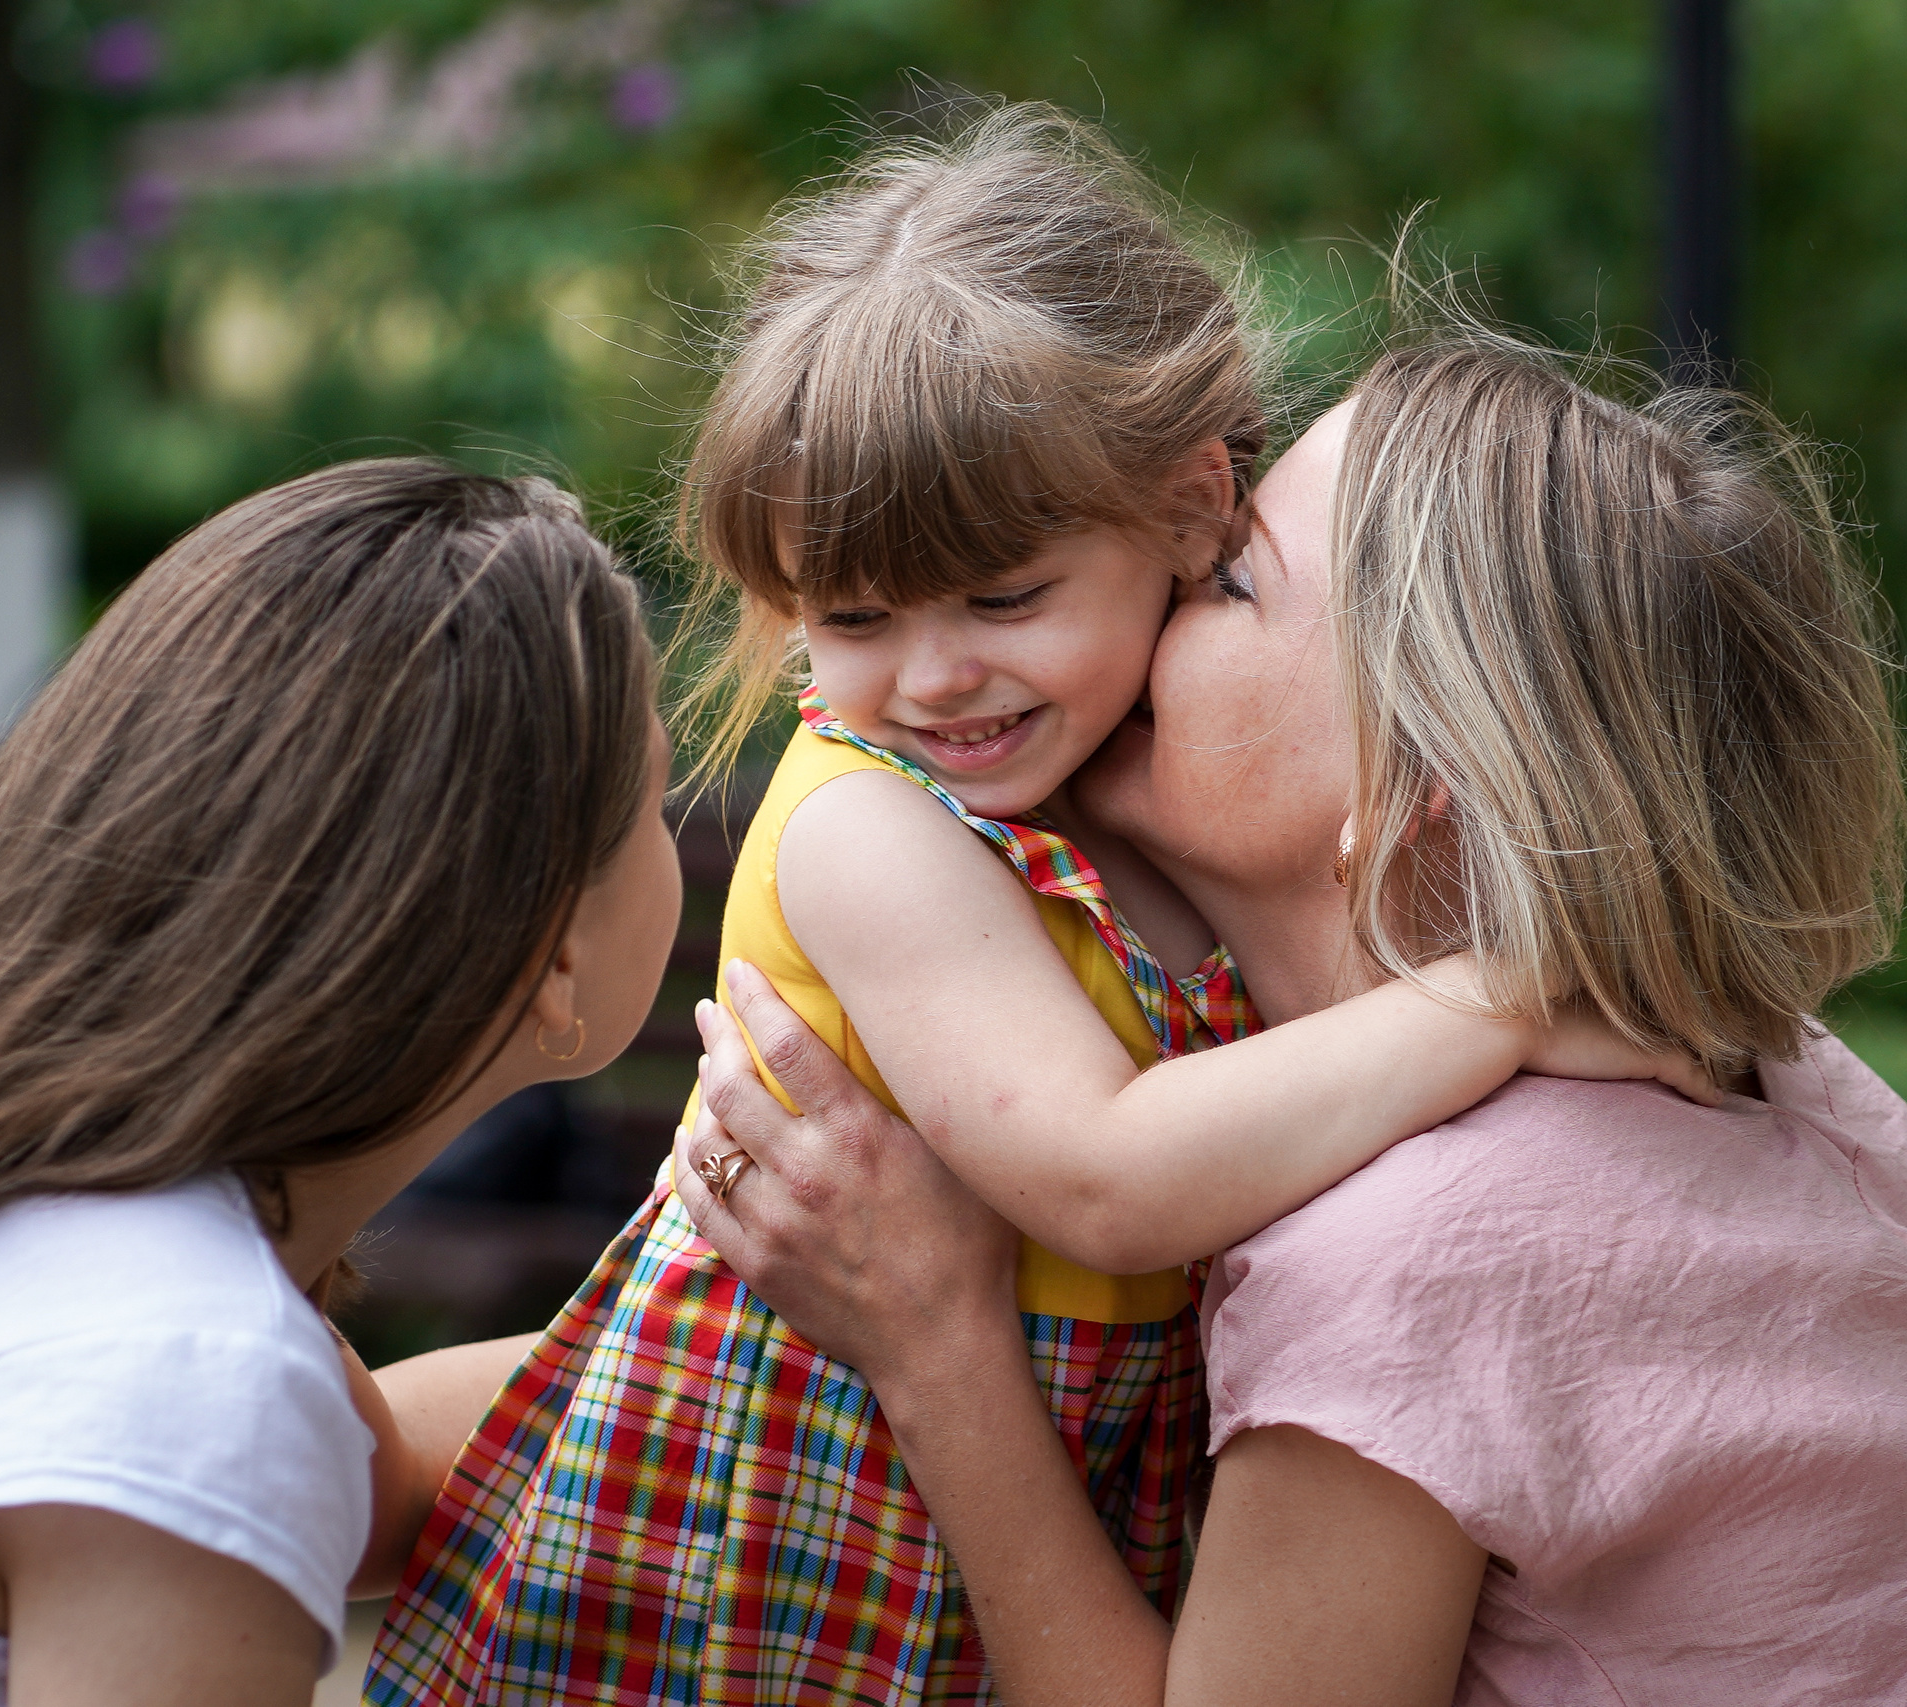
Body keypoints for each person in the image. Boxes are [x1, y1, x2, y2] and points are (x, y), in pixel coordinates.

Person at [369, 111, 1702, 1707]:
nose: (935, 678)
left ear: (1194, 504)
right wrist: (1503, 998)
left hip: (1011, 1523)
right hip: (770, 1567)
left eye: (1008, 596)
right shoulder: (871, 824)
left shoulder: (1137, 790)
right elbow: (1108, 1179)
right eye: (853, 613)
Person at [675, 330, 1907, 1704]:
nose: (1158, 583)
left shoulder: (1429, 1254)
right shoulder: (1790, 1076)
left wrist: (937, 1353)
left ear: (1404, 782)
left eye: (1230, 582)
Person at [0, 463, 679, 1706]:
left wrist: (788, 1322)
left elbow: (383, 1483)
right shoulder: (181, 1366)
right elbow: (243, 1439)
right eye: (654, 797)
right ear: (548, 942)